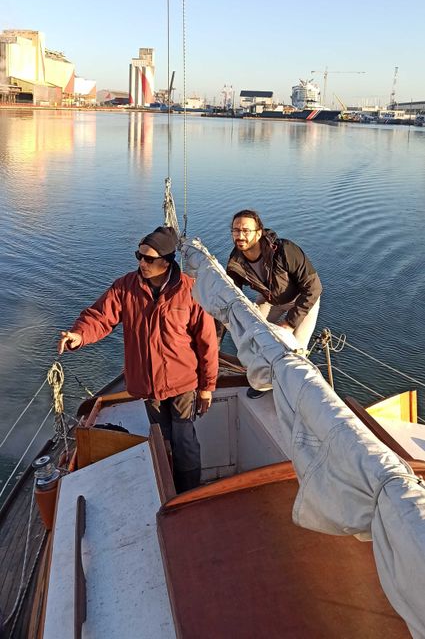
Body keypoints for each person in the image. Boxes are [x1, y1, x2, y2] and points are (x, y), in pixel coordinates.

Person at [58, 226, 218, 493]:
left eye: (149, 259)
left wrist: (207, 388)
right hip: (146, 383)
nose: (142, 263)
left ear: (167, 262)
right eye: (139, 256)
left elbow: (207, 342)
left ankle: (189, 493)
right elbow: (100, 316)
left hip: (182, 383)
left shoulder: (190, 291)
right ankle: (169, 490)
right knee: (161, 438)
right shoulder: (126, 287)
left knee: (184, 440)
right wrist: (79, 335)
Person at [222, 209, 322, 398]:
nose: (240, 235)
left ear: (258, 233)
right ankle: (264, 383)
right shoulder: (236, 261)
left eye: (246, 230)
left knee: (294, 350)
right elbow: (229, 299)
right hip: (272, 299)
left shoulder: (284, 251)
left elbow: (314, 288)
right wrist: (213, 343)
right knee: (251, 334)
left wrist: (289, 323)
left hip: (301, 300)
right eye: (235, 230)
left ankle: (293, 393)